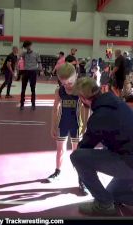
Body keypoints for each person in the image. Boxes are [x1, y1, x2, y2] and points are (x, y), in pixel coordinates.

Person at [70, 77, 133, 217]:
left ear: (83, 98)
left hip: (132, 162)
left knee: (77, 157)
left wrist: (82, 175)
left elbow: (84, 149)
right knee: (112, 194)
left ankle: (103, 205)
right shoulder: (115, 101)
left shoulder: (99, 117)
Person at [48, 63, 89, 195]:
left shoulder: (81, 90)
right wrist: (53, 125)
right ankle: (57, 171)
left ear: (76, 76)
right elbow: (55, 108)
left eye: (69, 83)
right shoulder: (60, 91)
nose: (67, 86)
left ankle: (81, 179)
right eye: (64, 83)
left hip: (77, 124)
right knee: (60, 150)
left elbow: (86, 107)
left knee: (77, 153)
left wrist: (86, 125)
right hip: (63, 124)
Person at [20, 41, 41, 111]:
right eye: (26, 46)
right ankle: (22, 104)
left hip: (33, 72)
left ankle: (33, 104)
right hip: (25, 72)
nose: (27, 47)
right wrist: (22, 48)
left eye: (28, 46)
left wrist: (40, 70)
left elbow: (39, 63)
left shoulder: (36, 54)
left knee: (33, 89)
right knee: (23, 89)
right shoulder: (23, 54)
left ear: (30, 45)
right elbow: (18, 56)